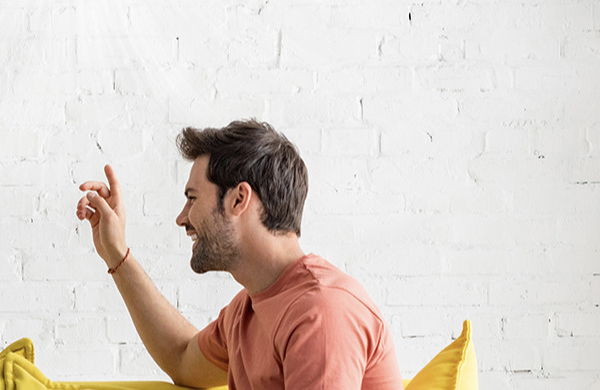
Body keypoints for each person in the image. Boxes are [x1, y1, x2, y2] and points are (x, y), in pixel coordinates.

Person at [76, 120, 402, 389]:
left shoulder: (322, 311)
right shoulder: (246, 311)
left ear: (238, 199)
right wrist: (116, 253)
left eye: (192, 198)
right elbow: (182, 360)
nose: (182, 217)